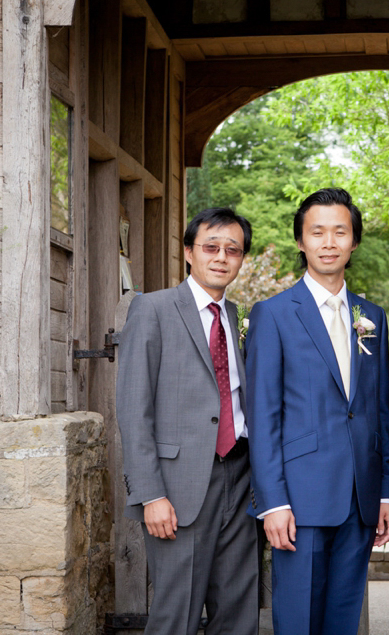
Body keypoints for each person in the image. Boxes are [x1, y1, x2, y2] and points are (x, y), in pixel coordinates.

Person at [245, 188, 389, 635]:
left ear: (354, 241)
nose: (329, 242)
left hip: (360, 497)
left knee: (343, 620)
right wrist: (272, 502)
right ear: (300, 241)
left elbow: (378, 410)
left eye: (340, 232)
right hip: (300, 500)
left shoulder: (372, 316)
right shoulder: (272, 314)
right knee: (297, 620)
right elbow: (263, 416)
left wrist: (386, 492)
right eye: (317, 232)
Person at [116, 207, 259, 634]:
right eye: (210, 247)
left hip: (240, 474)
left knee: (238, 609)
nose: (221, 257)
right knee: (176, 613)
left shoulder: (237, 318)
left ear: (240, 259)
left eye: (232, 250)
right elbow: (132, 408)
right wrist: (150, 493)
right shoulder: (152, 309)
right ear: (188, 253)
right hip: (177, 488)